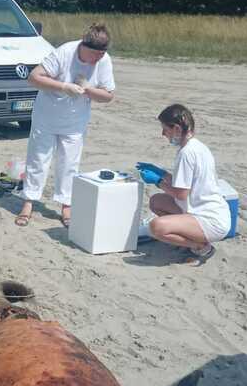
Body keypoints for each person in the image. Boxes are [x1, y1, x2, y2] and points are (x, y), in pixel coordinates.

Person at [15, 24, 116, 227]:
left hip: (75, 120)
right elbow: (34, 77)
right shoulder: (65, 52)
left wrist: (88, 90)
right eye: (95, 54)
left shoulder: (103, 61)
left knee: (69, 163)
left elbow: (108, 96)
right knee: (38, 159)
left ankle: (66, 205)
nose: (97, 59)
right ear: (83, 46)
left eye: (101, 54)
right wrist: (63, 86)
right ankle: (29, 201)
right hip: (47, 115)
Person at [137, 104, 231, 265]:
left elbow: (181, 194)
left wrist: (158, 181)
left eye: (165, 129)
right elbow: (186, 182)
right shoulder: (197, 146)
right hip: (201, 208)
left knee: (156, 228)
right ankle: (187, 235)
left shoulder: (186, 153)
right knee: (156, 201)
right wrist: (161, 173)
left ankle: (200, 246)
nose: (163, 134)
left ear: (176, 128)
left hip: (209, 219)